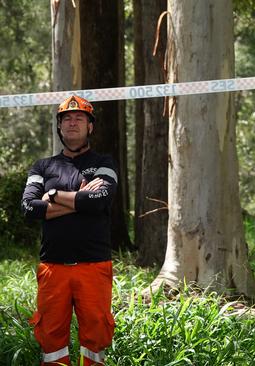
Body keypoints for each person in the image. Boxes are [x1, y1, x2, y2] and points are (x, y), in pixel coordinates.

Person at [21, 95, 117, 365]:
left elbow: (100, 201)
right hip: (53, 267)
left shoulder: (104, 163)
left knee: (96, 337)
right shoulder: (42, 166)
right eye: (66, 118)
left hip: (94, 265)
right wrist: (77, 200)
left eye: (79, 118)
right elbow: (29, 208)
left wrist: (51, 195)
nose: (72, 122)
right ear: (59, 127)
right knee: (51, 338)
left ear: (90, 127)